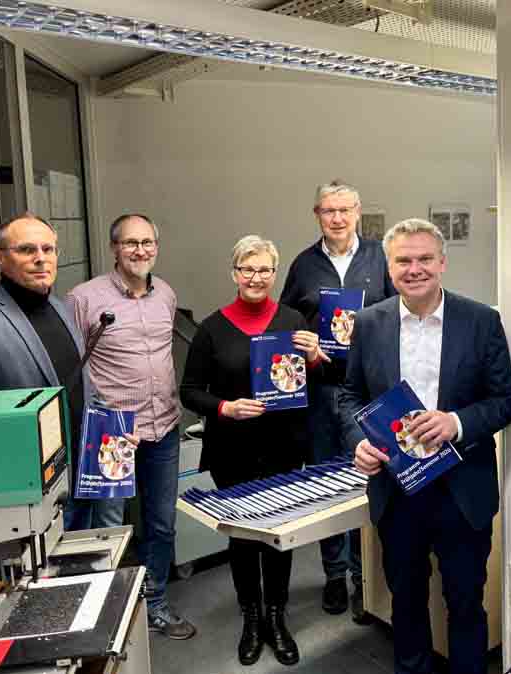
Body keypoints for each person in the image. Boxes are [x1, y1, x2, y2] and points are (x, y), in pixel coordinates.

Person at [340, 218, 511, 674]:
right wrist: (359, 440)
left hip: (463, 492)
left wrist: (456, 422)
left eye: (424, 259)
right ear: (389, 266)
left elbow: (505, 401)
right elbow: (349, 397)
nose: (414, 268)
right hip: (398, 492)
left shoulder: (481, 321)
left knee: (465, 604)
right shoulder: (368, 323)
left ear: (442, 263)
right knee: (406, 603)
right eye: (404, 260)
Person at [180, 235, 325, 667]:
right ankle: (251, 616)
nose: (255, 277)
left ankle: (277, 617)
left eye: (264, 270)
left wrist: (316, 357)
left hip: (284, 446)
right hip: (233, 449)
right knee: (243, 538)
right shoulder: (212, 328)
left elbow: (309, 384)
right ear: (234, 274)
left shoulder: (293, 319)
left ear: (274, 274)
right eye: (247, 269)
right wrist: (225, 407)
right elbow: (189, 392)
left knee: (279, 536)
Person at [66, 214, 196, 641]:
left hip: (163, 429)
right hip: (112, 434)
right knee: (109, 525)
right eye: (130, 243)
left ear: (156, 247)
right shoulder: (84, 299)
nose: (139, 250)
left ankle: (155, 602)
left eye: (147, 242)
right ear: (114, 248)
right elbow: (73, 368)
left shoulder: (167, 296)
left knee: (161, 523)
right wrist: (101, 413)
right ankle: (103, 611)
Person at [0, 213, 110, 526]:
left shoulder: (60, 308)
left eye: (48, 249)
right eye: (26, 250)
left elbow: (78, 386)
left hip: (78, 477)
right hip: (25, 494)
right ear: (0, 258)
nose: (40, 259)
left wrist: (112, 432)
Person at [279, 180, 395, 620]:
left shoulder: (380, 257)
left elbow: (400, 310)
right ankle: (333, 576)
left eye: (345, 209)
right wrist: (303, 343)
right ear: (317, 214)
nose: (338, 218)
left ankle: (365, 581)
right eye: (329, 210)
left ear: (358, 212)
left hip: (370, 392)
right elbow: (286, 322)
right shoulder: (303, 265)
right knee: (328, 481)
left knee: (370, 481)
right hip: (321, 391)